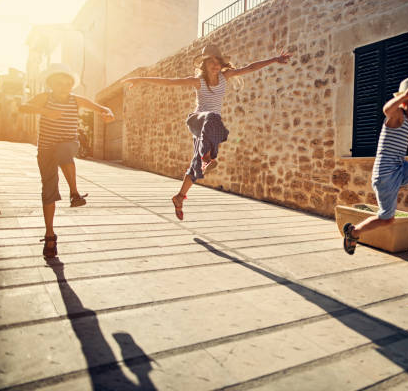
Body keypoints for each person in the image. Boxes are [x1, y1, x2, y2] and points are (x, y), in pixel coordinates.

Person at [123, 44, 291, 220]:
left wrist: (274, 59)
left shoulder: (225, 77)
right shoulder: (198, 81)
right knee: (211, 118)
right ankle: (207, 158)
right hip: (199, 121)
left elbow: (250, 68)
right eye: (211, 62)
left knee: (196, 167)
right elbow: (170, 82)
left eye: (217, 62)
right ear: (204, 65)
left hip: (211, 128)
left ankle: (180, 196)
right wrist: (141, 79)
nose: (215, 66)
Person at [342, 77, 408, 255]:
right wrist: (404, 97)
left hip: (400, 167)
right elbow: (386, 109)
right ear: (405, 101)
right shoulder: (398, 115)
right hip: (385, 176)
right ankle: (353, 232)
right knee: (387, 219)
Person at [18, 63, 115, 257]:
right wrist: (45, 112)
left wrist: (108, 112)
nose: (64, 86)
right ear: (51, 84)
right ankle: (49, 235)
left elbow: (101, 107)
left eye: (67, 83)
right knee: (48, 190)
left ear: (72, 85)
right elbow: (23, 107)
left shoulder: (76, 100)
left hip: (69, 143)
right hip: (45, 149)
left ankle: (74, 193)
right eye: (59, 83)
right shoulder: (45, 97)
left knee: (63, 151)